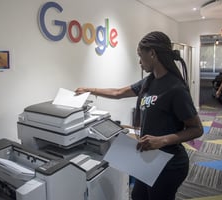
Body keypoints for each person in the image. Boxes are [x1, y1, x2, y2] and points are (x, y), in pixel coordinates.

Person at [75, 31, 203, 200]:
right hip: (149, 158)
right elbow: (118, 92)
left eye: (140, 56)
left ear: (152, 53)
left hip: (169, 163)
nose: (139, 62)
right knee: (137, 197)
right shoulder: (149, 82)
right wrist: (89, 89)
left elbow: (196, 129)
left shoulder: (175, 89)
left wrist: (162, 140)